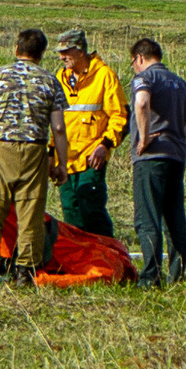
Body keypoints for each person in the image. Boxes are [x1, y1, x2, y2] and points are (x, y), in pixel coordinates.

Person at [0, 28, 69, 284]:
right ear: (42, 54)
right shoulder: (50, 81)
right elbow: (58, 127)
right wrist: (61, 164)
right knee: (31, 209)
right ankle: (25, 269)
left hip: (2, 146)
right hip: (35, 148)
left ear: (16, 49)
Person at [126, 37, 186, 288]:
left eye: (133, 63)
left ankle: (150, 277)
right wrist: (179, 143)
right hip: (175, 156)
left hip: (150, 158)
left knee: (148, 216)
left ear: (140, 58)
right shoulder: (180, 82)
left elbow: (142, 102)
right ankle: (177, 275)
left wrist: (144, 138)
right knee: (174, 217)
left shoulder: (144, 78)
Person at [53, 29, 127, 238]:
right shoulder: (60, 77)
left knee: (92, 212)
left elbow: (120, 116)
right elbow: (53, 119)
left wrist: (105, 145)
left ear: (80, 51)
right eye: (60, 52)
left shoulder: (104, 76)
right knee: (71, 213)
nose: (61, 57)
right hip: (64, 160)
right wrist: (51, 153)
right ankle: (82, 265)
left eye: (66, 52)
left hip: (90, 159)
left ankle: (108, 258)